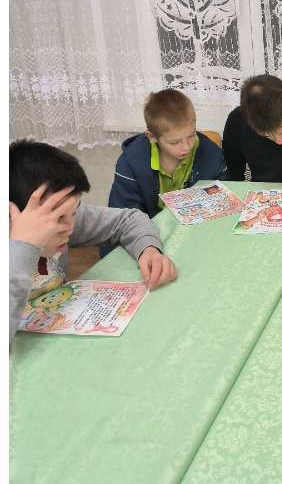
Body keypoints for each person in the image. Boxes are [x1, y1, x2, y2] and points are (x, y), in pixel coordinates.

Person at [9, 141, 176, 343]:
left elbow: (128, 220)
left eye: (74, 211)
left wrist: (148, 249)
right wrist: (24, 245)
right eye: (60, 218)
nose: (70, 227)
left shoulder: (66, 219)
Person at [108, 88, 226, 216]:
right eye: (175, 142)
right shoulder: (130, 164)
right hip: (147, 227)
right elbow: (123, 217)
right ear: (152, 137)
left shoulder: (212, 156)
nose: (186, 147)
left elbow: (222, 202)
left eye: (191, 136)